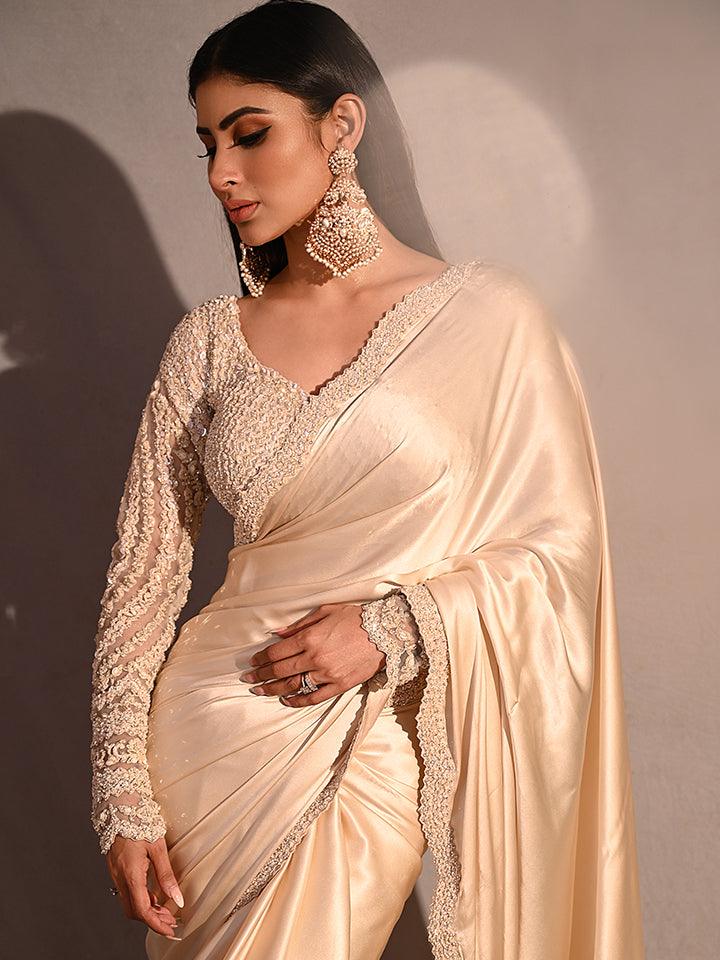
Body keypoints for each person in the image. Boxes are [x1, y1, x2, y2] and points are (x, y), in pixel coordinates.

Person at [89, 2, 646, 958]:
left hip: (368, 737)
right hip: (205, 740)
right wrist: (121, 794)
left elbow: (562, 553)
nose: (222, 173)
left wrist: (390, 627)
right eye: (208, 145)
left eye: (250, 135)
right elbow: (142, 578)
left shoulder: (489, 320)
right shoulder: (209, 342)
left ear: (341, 124)